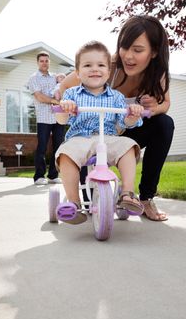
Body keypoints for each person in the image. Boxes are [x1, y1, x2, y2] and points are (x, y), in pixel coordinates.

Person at [58, 15, 174, 221]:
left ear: (154, 52)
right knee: (87, 199)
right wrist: (67, 105)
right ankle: (73, 200)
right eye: (124, 47)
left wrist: (153, 109)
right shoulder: (105, 67)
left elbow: (166, 103)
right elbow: (64, 87)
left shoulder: (157, 74)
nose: (128, 56)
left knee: (165, 123)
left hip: (123, 129)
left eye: (137, 50)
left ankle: (142, 197)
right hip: (87, 132)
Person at [54, 41, 145, 224]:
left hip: (109, 138)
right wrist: (64, 108)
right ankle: (73, 202)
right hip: (80, 138)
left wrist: (133, 115)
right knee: (65, 153)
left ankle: (127, 193)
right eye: (88, 65)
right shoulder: (72, 94)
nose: (95, 69)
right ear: (78, 72)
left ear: (108, 72)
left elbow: (125, 122)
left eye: (101, 65)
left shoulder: (117, 97)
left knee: (128, 146)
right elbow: (61, 120)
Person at [27, 51, 65, 185]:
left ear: (49, 62)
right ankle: (39, 176)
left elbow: (63, 87)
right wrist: (55, 101)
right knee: (42, 147)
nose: (44, 63)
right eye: (42, 61)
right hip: (43, 117)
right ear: (38, 63)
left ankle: (53, 175)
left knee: (58, 146)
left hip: (58, 116)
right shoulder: (34, 78)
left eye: (46, 61)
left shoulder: (55, 77)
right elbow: (39, 97)